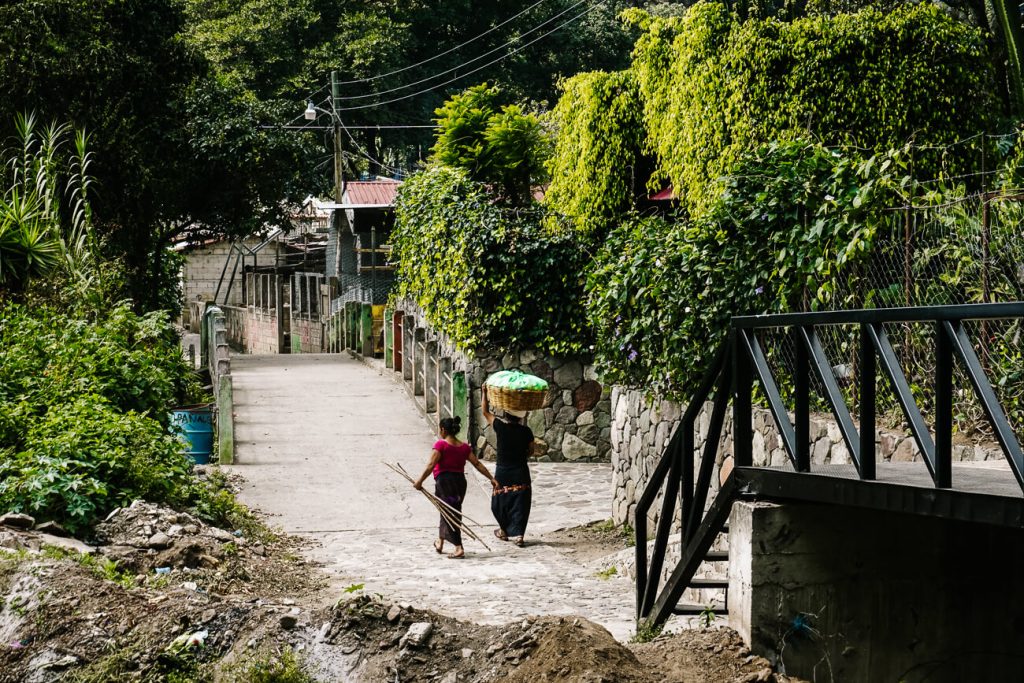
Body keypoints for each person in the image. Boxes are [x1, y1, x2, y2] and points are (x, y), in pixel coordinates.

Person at [413, 416, 497, 559]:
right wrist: (491, 478)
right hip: (459, 483)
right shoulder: (464, 447)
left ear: (443, 429)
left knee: (451, 513)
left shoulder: (441, 445)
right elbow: (477, 464)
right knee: (447, 510)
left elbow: (431, 465)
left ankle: (458, 547)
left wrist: (419, 481)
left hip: (445, 484)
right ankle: (440, 541)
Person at [482, 387, 535, 547]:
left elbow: (485, 412)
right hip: (520, 471)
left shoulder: (501, 427)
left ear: (506, 414)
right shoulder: (527, 432)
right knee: (521, 502)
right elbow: (531, 450)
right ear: (520, 418)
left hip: (503, 471)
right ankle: (519, 535)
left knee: (499, 500)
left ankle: (503, 530)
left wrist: (484, 392)